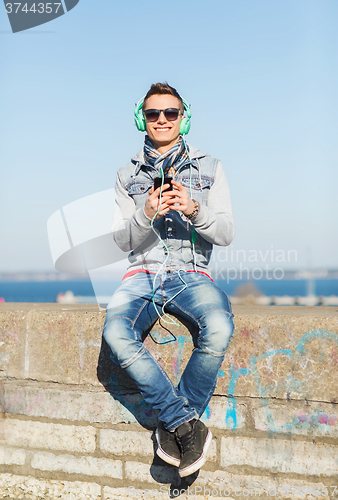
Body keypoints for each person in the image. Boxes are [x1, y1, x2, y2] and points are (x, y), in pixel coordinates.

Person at [103, 82, 235, 477]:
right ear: (141, 119)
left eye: (170, 113)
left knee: (219, 325)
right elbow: (120, 241)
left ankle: (171, 426)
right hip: (141, 273)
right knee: (115, 332)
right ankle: (182, 424)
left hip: (191, 273)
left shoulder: (210, 167)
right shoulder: (127, 174)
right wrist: (144, 214)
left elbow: (226, 233)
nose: (161, 120)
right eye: (152, 114)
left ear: (184, 117)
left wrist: (196, 211)